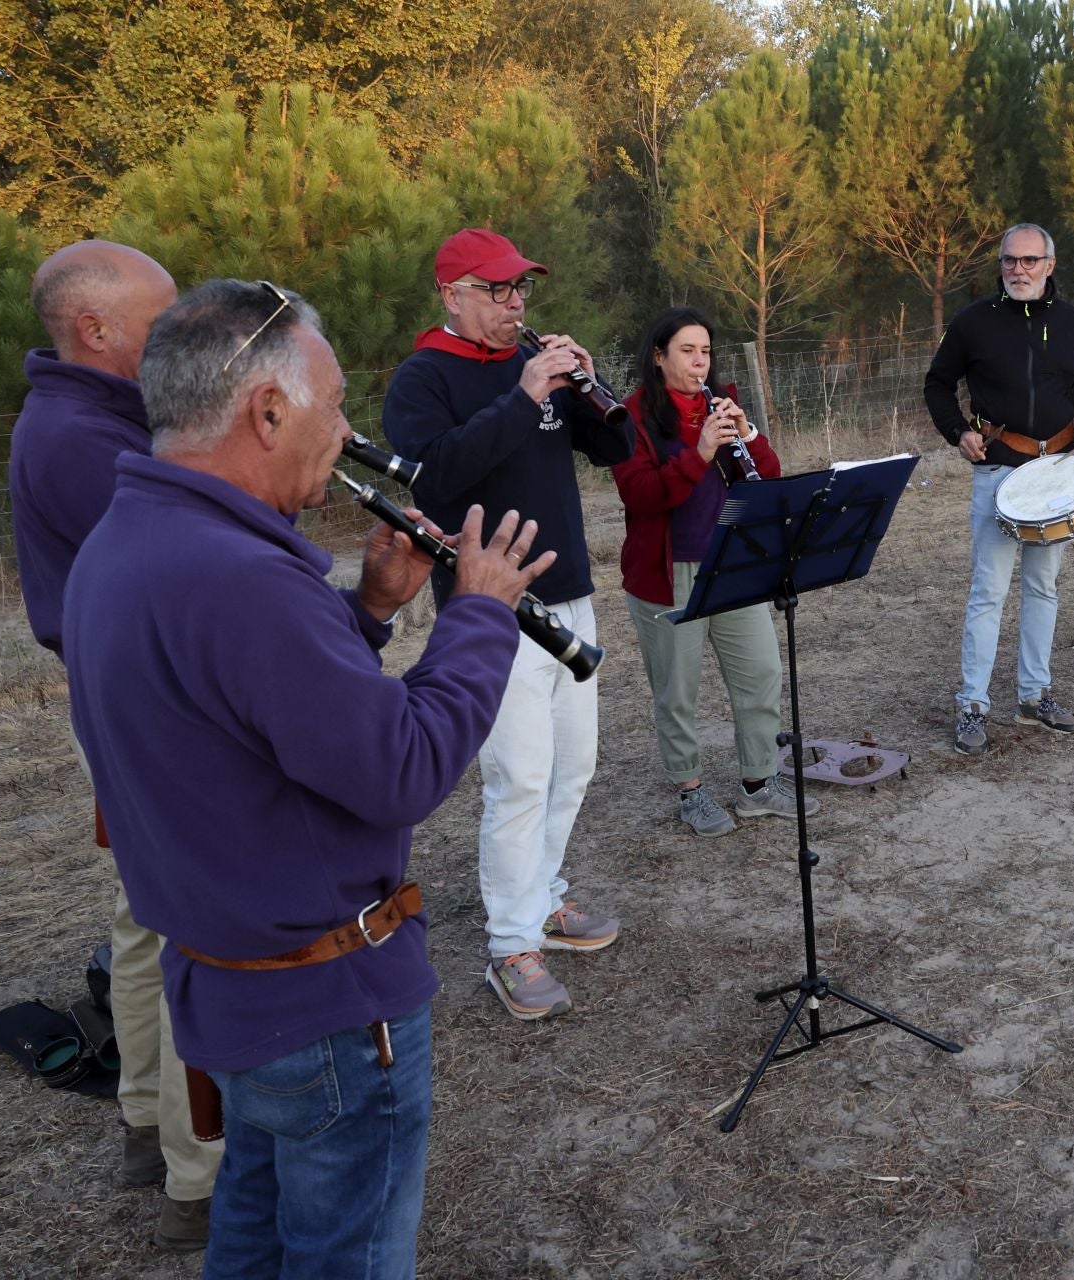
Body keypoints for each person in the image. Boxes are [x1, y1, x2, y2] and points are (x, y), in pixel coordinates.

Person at [63, 278, 548, 1274]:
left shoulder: (127, 539)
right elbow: (402, 767)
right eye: (333, 405)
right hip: (328, 1012)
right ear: (267, 409)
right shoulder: (243, 576)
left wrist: (366, 610)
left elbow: (244, 720)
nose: (344, 428)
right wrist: (480, 613)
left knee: (254, 1234)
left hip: (237, 992)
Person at [8, 240, 220, 1252]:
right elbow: (180, 564)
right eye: (162, 315)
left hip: (122, 695)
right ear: (95, 330)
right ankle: (201, 1173)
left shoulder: (94, 417)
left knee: (144, 922)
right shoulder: (82, 439)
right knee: (191, 930)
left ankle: (147, 1118)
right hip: (146, 705)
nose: (179, 332)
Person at [383, 228, 635, 1020]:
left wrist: (592, 382)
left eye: (520, 288)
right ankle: (510, 944)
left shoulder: (540, 365)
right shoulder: (423, 377)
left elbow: (619, 445)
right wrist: (524, 395)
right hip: (490, 604)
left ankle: (545, 896)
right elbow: (437, 472)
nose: (515, 302)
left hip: (567, 588)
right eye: (495, 289)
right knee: (519, 776)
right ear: (451, 295)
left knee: (575, 766)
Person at [610, 307, 820, 835]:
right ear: (658, 358)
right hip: (667, 573)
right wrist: (700, 453)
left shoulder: (721, 403)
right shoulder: (630, 416)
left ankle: (757, 784)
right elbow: (642, 495)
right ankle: (691, 790)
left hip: (732, 562)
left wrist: (748, 435)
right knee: (677, 689)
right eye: (687, 351)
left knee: (760, 672)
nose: (699, 362)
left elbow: (766, 477)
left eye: (705, 351)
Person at [923, 223, 1074, 756]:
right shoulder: (973, 322)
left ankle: (1034, 697)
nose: (1019, 270)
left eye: (1030, 261)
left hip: (1056, 474)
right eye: (1010, 261)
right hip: (998, 473)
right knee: (989, 591)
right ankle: (972, 703)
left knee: (1043, 587)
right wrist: (958, 432)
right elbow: (937, 384)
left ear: (1050, 265)